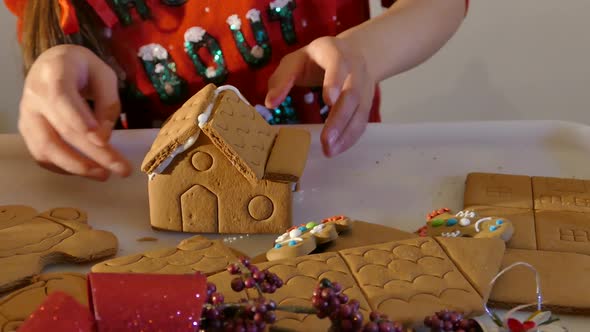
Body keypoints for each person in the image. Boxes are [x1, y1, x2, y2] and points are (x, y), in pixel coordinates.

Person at [4, 0, 469, 181]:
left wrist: (365, 50)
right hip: (159, 201)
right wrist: (54, 68)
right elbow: (62, 58)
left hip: (338, 180)